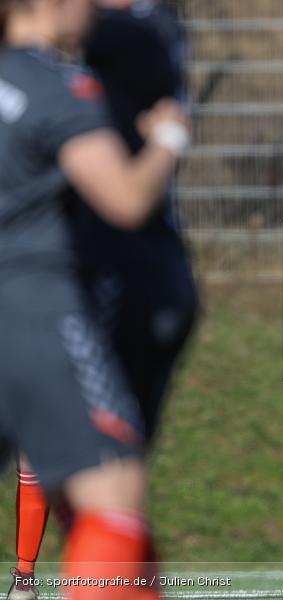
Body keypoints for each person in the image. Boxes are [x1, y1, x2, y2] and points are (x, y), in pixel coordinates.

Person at [6, 2, 196, 597]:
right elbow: (126, 200)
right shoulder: (55, 83)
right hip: (35, 312)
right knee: (112, 492)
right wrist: (168, 137)